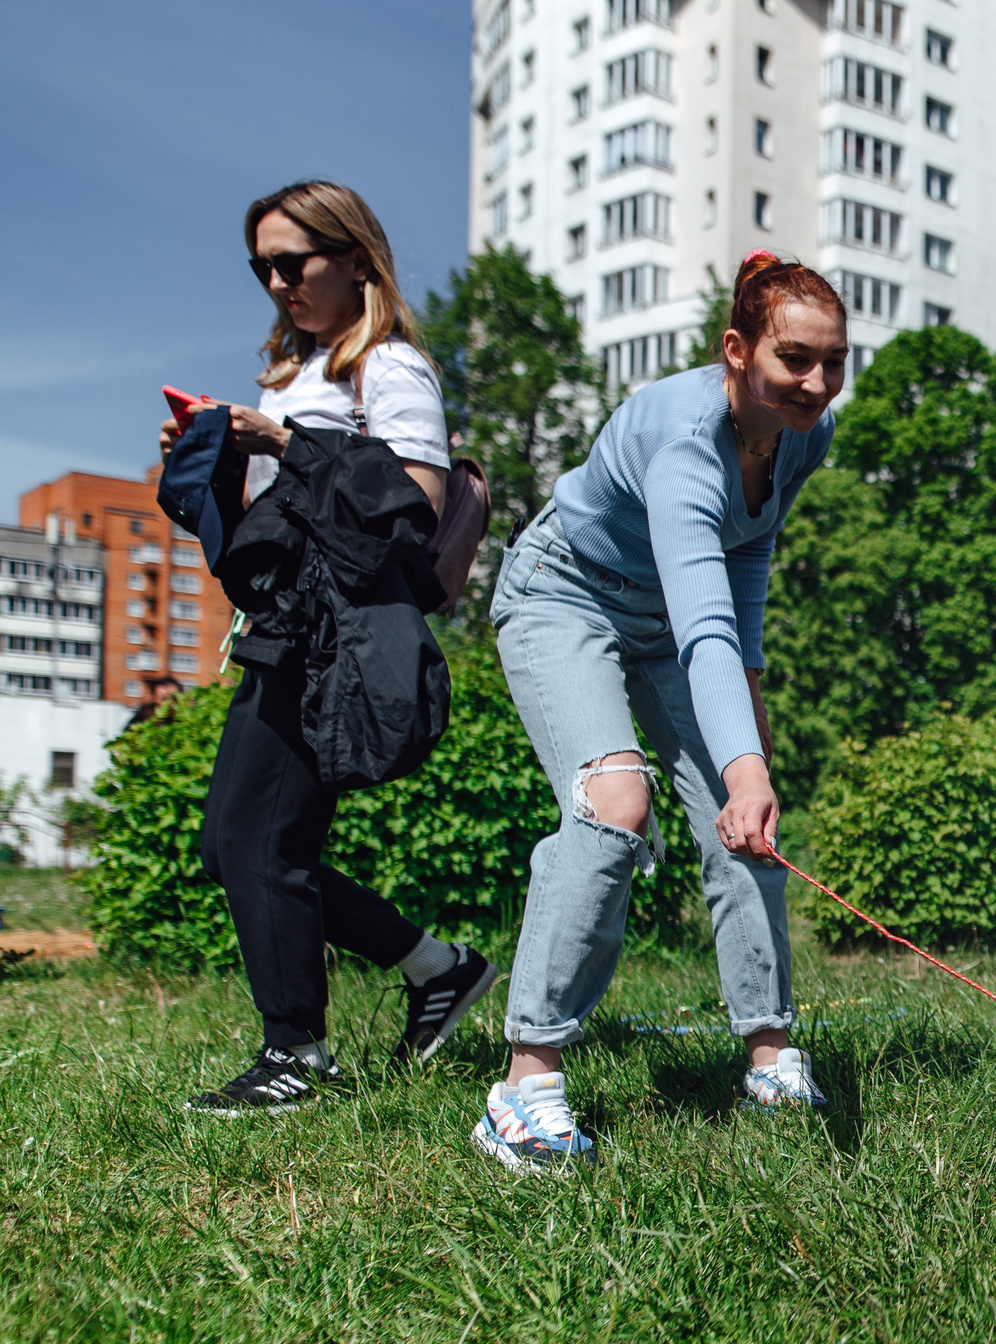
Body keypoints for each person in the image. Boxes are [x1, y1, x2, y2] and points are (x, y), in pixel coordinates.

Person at [475, 252, 847, 1172]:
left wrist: (748, 737)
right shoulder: (682, 441)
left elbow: (744, 561)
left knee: (744, 820)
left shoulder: (807, 435)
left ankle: (770, 1056)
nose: (817, 382)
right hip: (567, 594)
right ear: (736, 349)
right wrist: (743, 754)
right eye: (795, 359)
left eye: (834, 361)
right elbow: (702, 613)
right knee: (614, 805)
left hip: (671, 623)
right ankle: (523, 1087)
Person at [167, 181, 493, 1115]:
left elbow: (413, 504)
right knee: (247, 845)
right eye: (261, 266)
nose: (276, 282)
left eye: (293, 262)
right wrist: (215, 460)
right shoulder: (295, 372)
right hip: (287, 628)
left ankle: (297, 1055)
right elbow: (275, 525)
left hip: (337, 640)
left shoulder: (387, 370)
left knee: (252, 839)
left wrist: (284, 440)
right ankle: (438, 967)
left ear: (356, 259)